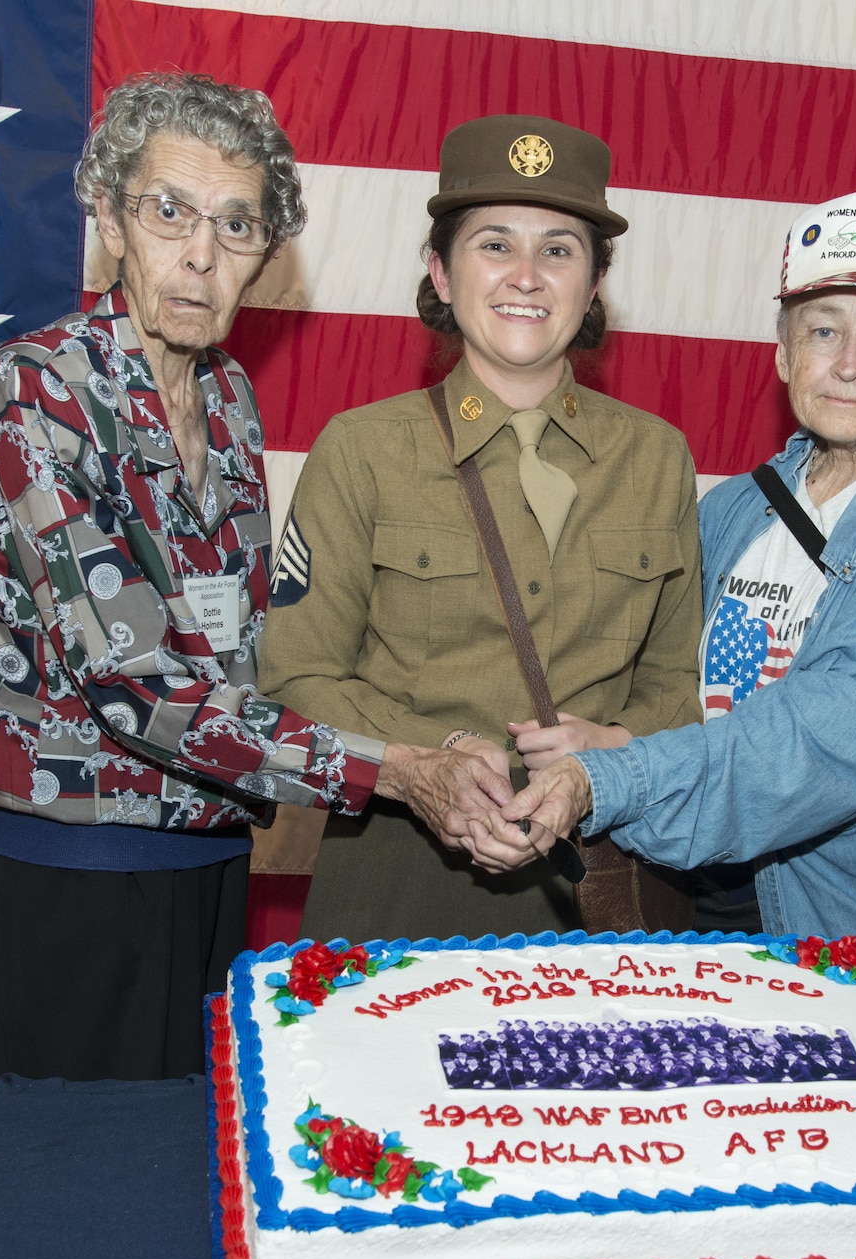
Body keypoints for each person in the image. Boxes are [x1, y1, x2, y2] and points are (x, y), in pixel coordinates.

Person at [0, 74, 512, 1082]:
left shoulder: (231, 398)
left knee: (193, 1181)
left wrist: (428, 736)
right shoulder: (39, 390)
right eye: (169, 212)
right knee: (74, 1193)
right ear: (111, 218)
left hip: (211, 854)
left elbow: (252, 650)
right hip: (78, 871)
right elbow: (139, 689)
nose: (200, 257)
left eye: (237, 226)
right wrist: (391, 768)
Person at [497, 192, 856, 1039]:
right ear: (785, 352)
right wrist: (609, 736)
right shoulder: (738, 513)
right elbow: (683, 690)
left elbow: (822, 741)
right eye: (824, 329)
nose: (851, 362)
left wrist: (611, 778)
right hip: (734, 936)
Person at [257, 115, 702, 943]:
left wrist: (613, 750)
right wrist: (430, 761)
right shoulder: (362, 450)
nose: (527, 277)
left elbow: (679, 684)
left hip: (596, 907)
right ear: (440, 270)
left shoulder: (658, 459)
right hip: (394, 898)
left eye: (560, 249)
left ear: (596, 280)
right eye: (494, 245)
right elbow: (294, 677)